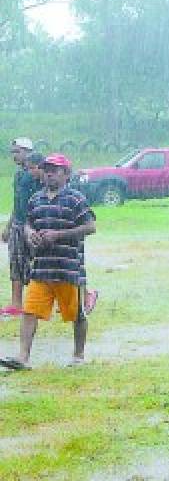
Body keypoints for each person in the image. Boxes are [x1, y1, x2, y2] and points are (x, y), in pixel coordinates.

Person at [0, 154, 96, 371]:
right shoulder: (36, 199)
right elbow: (28, 224)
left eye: (55, 169)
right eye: (46, 169)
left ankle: (78, 356)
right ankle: (22, 358)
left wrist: (58, 235)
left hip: (69, 268)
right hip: (42, 268)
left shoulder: (75, 199)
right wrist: (30, 234)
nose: (49, 173)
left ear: (66, 174)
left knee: (77, 314)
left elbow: (90, 227)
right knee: (29, 311)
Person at [2, 137, 36, 315]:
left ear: (28, 152)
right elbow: (17, 202)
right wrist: (8, 226)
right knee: (16, 261)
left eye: (17, 151)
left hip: (35, 225)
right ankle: (16, 304)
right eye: (13, 152)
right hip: (18, 223)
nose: (14, 155)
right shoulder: (18, 175)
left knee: (42, 262)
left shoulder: (38, 173)